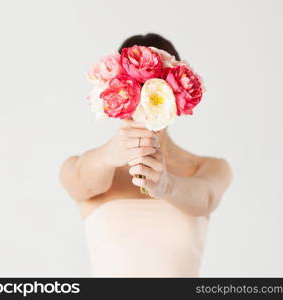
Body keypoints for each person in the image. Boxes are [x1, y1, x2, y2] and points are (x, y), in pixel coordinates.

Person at [59, 33, 232, 277]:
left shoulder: (206, 168)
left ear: (176, 97)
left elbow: (205, 198)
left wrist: (166, 185)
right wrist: (111, 154)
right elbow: (79, 180)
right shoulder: (91, 169)